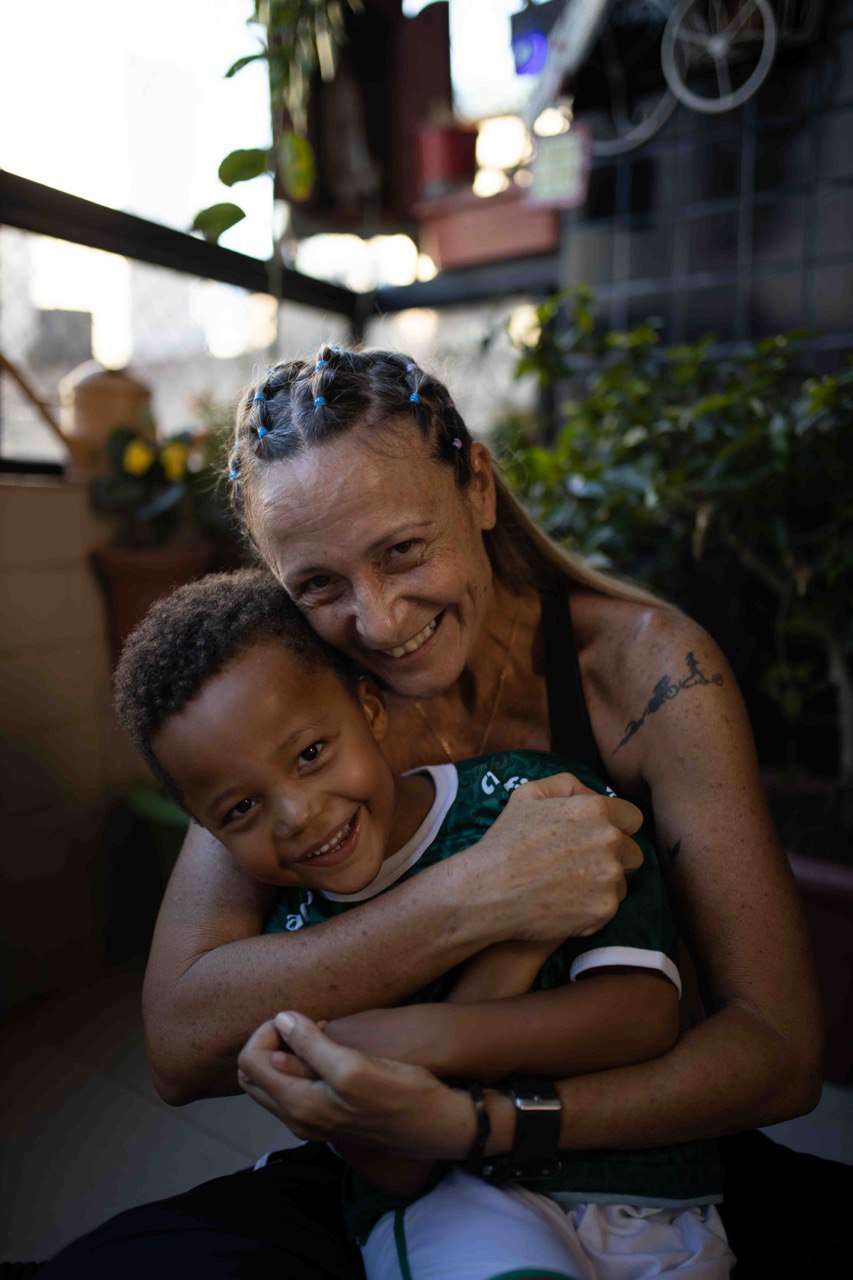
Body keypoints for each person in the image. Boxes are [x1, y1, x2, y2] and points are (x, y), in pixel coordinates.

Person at [40, 345, 823, 1279]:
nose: (376, 621)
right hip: (396, 1177)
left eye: (403, 551)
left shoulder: (646, 673)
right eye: (319, 587)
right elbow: (180, 1038)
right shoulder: (306, 709)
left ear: (479, 489)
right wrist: (482, 895)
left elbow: (776, 1049)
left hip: (646, 1149)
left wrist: (482, 1123)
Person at [111, 567, 733, 1278]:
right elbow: (399, 1172)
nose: (297, 814)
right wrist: (511, 953)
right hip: (461, 1212)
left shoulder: (530, 800)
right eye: (239, 811)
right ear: (206, 834)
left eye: (312, 754)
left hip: (657, 1200)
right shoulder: (288, 943)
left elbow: (646, 1013)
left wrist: (418, 1038)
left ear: (370, 712)